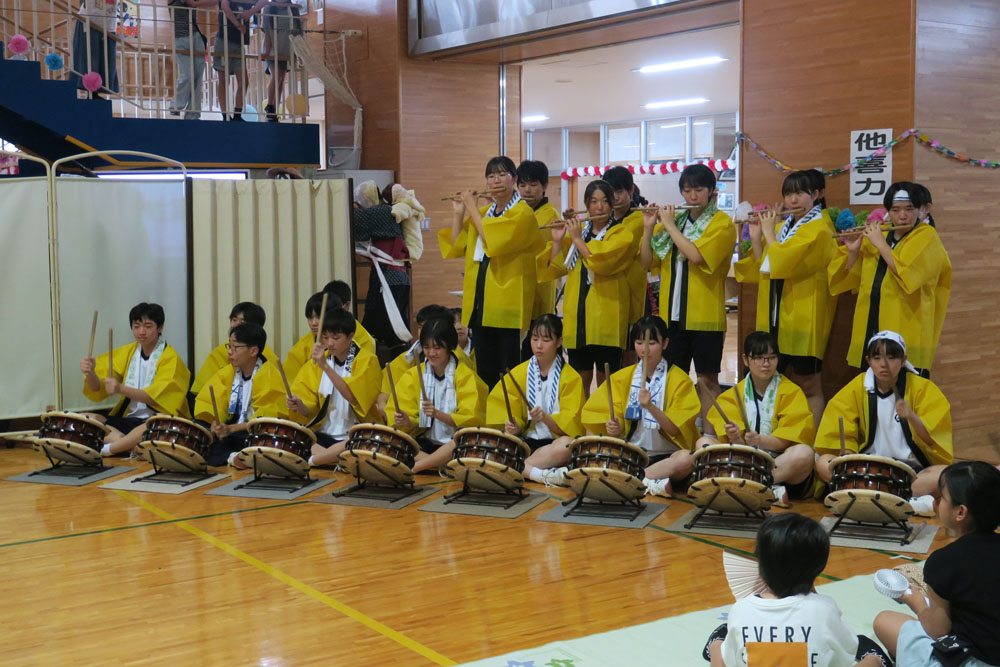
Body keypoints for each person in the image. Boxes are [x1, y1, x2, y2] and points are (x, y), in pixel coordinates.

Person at [704, 513, 891, 667]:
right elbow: (844, 654)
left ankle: (715, 644)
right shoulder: (824, 610)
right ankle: (875, 659)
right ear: (818, 568)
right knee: (869, 659)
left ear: (760, 565)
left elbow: (732, 660)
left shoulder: (741, 610)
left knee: (722, 647)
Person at [735, 170, 838, 427]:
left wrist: (769, 232)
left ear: (816, 195)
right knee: (770, 379)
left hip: (804, 317)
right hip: (776, 315)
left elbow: (784, 262)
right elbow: (765, 266)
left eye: (800, 193)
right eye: (788, 194)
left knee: (808, 383)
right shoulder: (784, 227)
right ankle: (775, 435)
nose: (793, 200)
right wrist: (756, 238)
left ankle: (811, 443)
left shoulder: (820, 228)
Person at [873, 461, 1000, 667]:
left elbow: (938, 630)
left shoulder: (944, 561)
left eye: (942, 498)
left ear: (960, 512)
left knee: (884, 621)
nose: (937, 503)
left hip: (976, 660)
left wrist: (915, 601)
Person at [814, 331, 952, 516]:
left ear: (903, 360)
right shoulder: (858, 387)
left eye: (891, 357)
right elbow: (841, 432)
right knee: (823, 462)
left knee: (945, 474)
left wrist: (912, 417)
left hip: (910, 473)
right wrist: (847, 455)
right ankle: (905, 502)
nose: (883, 364)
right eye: (877, 358)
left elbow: (932, 440)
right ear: (868, 360)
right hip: (868, 469)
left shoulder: (922, 389)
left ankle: (864, 497)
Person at [639, 164, 736, 421]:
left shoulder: (722, 223)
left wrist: (669, 226)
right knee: (675, 378)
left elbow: (696, 256)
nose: (692, 196)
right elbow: (647, 262)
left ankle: (711, 434)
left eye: (699, 190)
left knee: (707, 379)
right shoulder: (677, 222)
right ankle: (679, 431)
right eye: (687, 190)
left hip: (705, 317)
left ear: (711, 191)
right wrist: (648, 227)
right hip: (672, 317)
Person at [828, 182, 951, 376]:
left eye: (909, 209)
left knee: (905, 386)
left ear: (921, 209)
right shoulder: (881, 234)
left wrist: (880, 244)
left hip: (908, 325)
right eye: (895, 210)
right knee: (872, 385)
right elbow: (851, 279)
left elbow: (908, 275)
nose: (902, 216)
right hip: (872, 320)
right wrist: (852, 251)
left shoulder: (927, 236)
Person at [440, 156, 540, 388]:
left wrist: (472, 208)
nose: (495, 181)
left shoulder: (522, 213)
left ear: (514, 179)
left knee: (508, 371)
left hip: (506, 303)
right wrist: (459, 213)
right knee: (484, 370)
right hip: (480, 301)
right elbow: (457, 246)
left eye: (502, 175)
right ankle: (488, 411)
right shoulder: (485, 212)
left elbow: (492, 239)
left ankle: (510, 411)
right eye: (491, 176)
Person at [576, 316, 700, 497]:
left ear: (665, 343)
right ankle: (648, 482)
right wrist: (615, 428)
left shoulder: (680, 381)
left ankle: (627, 481)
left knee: (687, 459)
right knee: (594, 442)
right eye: (639, 343)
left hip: (666, 456)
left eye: (652, 343)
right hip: (632, 454)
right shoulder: (623, 378)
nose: (645, 349)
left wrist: (650, 407)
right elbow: (601, 419)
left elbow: (674, 429)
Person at [699, 332, 816, 507]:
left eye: (771, 358)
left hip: (778, 467)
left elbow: (785, 441)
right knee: (703, 443)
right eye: (759, 358)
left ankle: (748, 486)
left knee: (804, 453)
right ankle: (765, 490)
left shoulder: (792, 392)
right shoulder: (732, 395)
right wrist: (736, 438)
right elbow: (739, 448)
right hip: (744, 463)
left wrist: (759, 440)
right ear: (746, 360)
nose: (765, 364)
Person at [539, 180, 632, 392]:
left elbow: (601, 263)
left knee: (606, 382)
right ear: (586, 204)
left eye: (605, 201)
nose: (599, 207)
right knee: (580, 379)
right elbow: (556, 268)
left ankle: (604, 415)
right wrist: (557, 240)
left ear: (612, 205)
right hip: (577, 317)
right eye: (593, 202)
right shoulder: (579, 232)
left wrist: (576, 238)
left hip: (606, 317)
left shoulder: (621, 233)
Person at [79, 303, 191, 456]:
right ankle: (128, 445)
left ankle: (110, 449)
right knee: (87, 418)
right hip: (129, 419)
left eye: (148, 326)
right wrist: (91, 373)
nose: (141, 332)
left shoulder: (171, 358)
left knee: (154, 424)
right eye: (136, 326)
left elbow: (155, 399)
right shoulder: (128, 352)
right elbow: (96, 387)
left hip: (156, 422)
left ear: (160, 327)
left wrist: (120, 388)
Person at [486, 314, 584, 485]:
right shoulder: (518, 374)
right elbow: (509, 416)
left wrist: (545, 417)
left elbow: (570, 427)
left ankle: (512, 469)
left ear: (559, 342)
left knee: (567, 446)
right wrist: (513, 426)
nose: (539, 345)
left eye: (546, 340)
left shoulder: (571, 377)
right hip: (525, 442)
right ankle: (538, 474)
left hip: (553, 445)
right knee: (491, 444)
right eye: (535, 338)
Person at [387, 316, 487, 474]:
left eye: (437, 347)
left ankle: (416, 467)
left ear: (450, 346)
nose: (431, 353)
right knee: (394, 442)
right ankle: (439, 464)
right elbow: (412, 424)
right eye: (426, 347)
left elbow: (471, 421)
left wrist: (437, 414)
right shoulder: (413, 375)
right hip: (425, 444)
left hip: (453, 445)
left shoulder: (466, 377)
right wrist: (406, 421)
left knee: (459, 442)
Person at [286, 308, 382, 465]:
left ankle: (315, 460)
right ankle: (331, 458)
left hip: (355, 432)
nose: (330, 343)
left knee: (356, 442)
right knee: (293, 435)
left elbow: (353, 397)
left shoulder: (368, 361)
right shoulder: (315, 364)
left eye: (335, 338)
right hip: (324, 434)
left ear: (350, 336)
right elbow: (310, 410)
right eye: (325, 337)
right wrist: (299, 405)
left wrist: (325, 366)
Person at [193, 322, 287, 467]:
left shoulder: (269, 375)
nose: (230, 352)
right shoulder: (228, 372)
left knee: (262, 440)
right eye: (229, 346)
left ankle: (235, 457)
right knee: (198, 431)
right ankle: (235, 457)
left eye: (235, 347)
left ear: (253, 351)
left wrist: (231, 429)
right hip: (230, 430)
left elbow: (265, 419)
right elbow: (212, 403)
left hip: (251, 432)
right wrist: (215, 424)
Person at [375, 303, 473, 420]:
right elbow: (387, 390)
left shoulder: (461, 363)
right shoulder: (409, 358)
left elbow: (468, 413)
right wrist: (383, 405)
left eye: (437, 347)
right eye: (420, 327)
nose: (423, 333)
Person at [188, 302, 277, 406]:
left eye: (243, 322)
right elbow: (204, 394)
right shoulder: (219, 353)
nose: (235, 325)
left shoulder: (269, 362)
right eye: (234, 320)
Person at [283, 291, 375, 386]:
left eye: (319, 317)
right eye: (310, 318)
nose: (313, 323)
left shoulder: (355, 349)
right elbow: (292, 379)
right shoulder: (304, 345)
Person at [516, 160, 559, 359]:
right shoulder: (516, 211)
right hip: (517, 290)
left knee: (535, 352)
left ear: (544, 186)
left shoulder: (550, 216)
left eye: (533, 185)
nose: (527, 190)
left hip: (538, 292)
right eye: (522, 185)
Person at [603, 166, 649, 333]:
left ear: (630, 191)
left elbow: (611, 253)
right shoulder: (604, 220)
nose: (615, 197)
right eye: (610, 192)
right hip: (607, 294)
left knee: (630, 341)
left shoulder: (638, 220)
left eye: (619, 191)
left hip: (631, 292)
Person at [167, 0, 215, 119]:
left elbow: (214, 2)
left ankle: (193, 114)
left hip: (196, 36)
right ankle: (176, 105)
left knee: (198, 78)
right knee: (187, 75)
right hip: (181, 38)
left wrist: (196, 4)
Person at [213, 0, 259, 121]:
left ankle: (237, 114)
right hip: (224, 39)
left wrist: (251, 12)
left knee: (244, 81)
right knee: (223, 79)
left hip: (239, 42)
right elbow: (225, 6)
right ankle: (225, 115)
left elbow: (263, 1)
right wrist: (238, 25)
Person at [260, 0, 302, 122]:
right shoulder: (269, 7)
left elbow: (298, 31)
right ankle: (270, 106)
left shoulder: (292, 8)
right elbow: (267, 31)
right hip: (273, 47)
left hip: (286, 47)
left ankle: (274, 109)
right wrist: (268, 50)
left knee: (281, 78)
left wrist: (299, 53)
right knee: (276, 75)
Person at [69, 0, 120, 99]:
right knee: (90, 56)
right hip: (90, 19)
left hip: (108, 21)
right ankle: (91, 91)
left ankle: (95, 90)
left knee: (105, 58)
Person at [451, 307, 476, 372]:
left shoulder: (479, 346)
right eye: (453, 323)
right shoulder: (444, 353)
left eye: (462, 321)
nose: (459, 327)